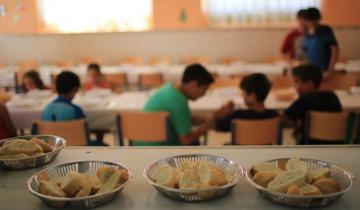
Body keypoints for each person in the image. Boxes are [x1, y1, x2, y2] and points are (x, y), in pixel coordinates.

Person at [133, 64, 227, 146]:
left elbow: (181, 118)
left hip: (140, 144)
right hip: (158, 149)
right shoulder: (178, 101)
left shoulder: (169, 88)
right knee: (195, 143)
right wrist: (208, 125)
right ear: (194, 84)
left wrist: (208, 118)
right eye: (205, 89)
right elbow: (186, 139)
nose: (204, 94)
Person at [284, 64, 342, 144]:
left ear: (310, 84)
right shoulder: (333, 96)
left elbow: (285, 118)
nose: (295, 86)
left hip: (310, 146)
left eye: (297, 82)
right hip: (335, 146)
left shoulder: (304, 99)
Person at [303, 7, 339, 74]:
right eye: (309, 20)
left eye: (314, 20)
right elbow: (306, 53)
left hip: (325, 68)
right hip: (312, 69)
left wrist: (330, 68)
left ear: (318, 19)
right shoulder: (306, 33)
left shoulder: (325, 30)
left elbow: (335, 50)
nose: (312, 22)